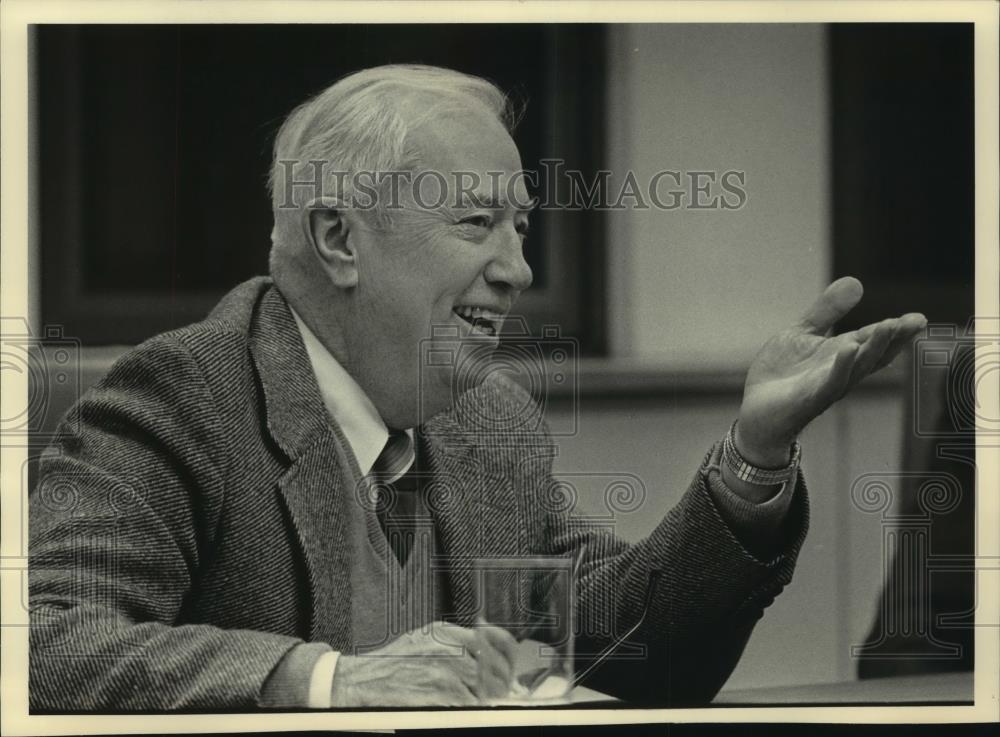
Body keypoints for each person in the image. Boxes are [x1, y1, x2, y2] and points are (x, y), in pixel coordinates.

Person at [28, 64, 926, 711]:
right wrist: (328, 681)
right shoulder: (181, 395)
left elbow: (627, 644)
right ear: (339, 237)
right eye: (477, 222)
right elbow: (40, 643)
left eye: (523, 227)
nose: (520, 268)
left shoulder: (492, 421)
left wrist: (755, 454)